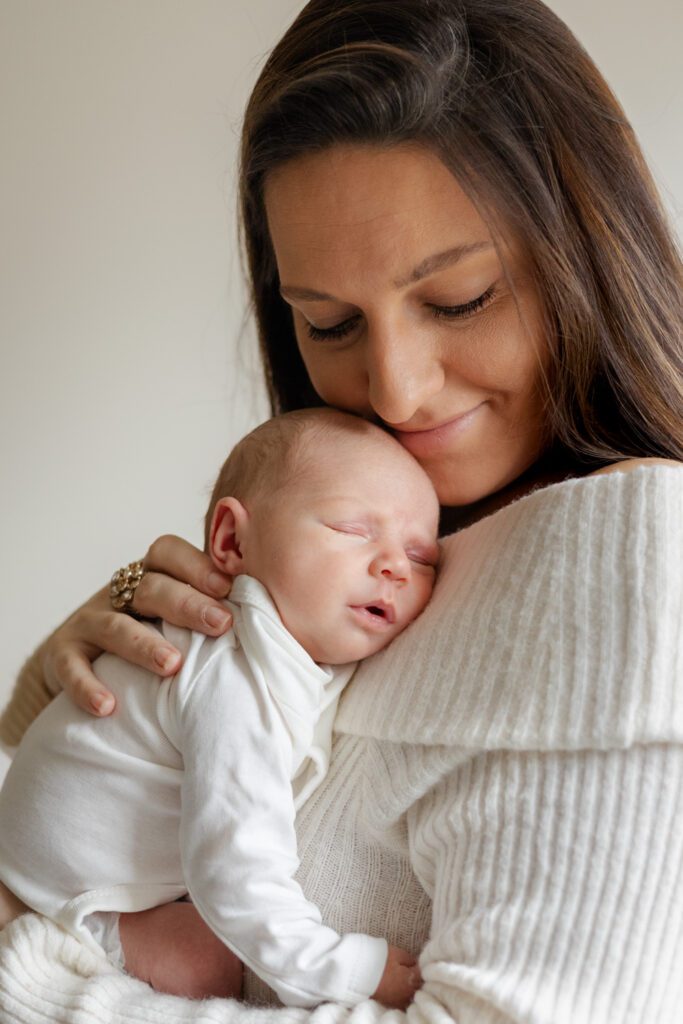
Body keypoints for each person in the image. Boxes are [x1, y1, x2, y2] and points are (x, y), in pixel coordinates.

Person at [1, 0, 682, 1021]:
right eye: (327, 321)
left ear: (584, 252)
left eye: (457, 299)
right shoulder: (363, 551)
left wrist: (27, 967)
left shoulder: (634, 564)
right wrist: (55, 704)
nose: (397, 392)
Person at [0, 408, 439, 1006]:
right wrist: (352, 973)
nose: (393, 565)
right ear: (232, 541)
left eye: (421, 557)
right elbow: (237, 873)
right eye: (351, 528)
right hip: (62, 889)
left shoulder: (287, 649)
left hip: (36, 846)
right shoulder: (233, 675)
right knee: (204, 961)